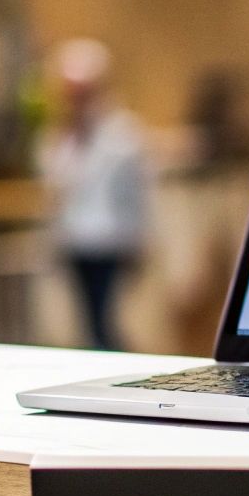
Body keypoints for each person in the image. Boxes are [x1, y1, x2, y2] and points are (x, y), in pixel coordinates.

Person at [43, 39, 147, 351]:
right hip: (75, 240)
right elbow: (57, 187)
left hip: (110, 242)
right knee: (86, 322)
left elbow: (135, 194)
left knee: (107, 321)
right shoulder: (61, 135)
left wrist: (139, 241)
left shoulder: (122, 134)